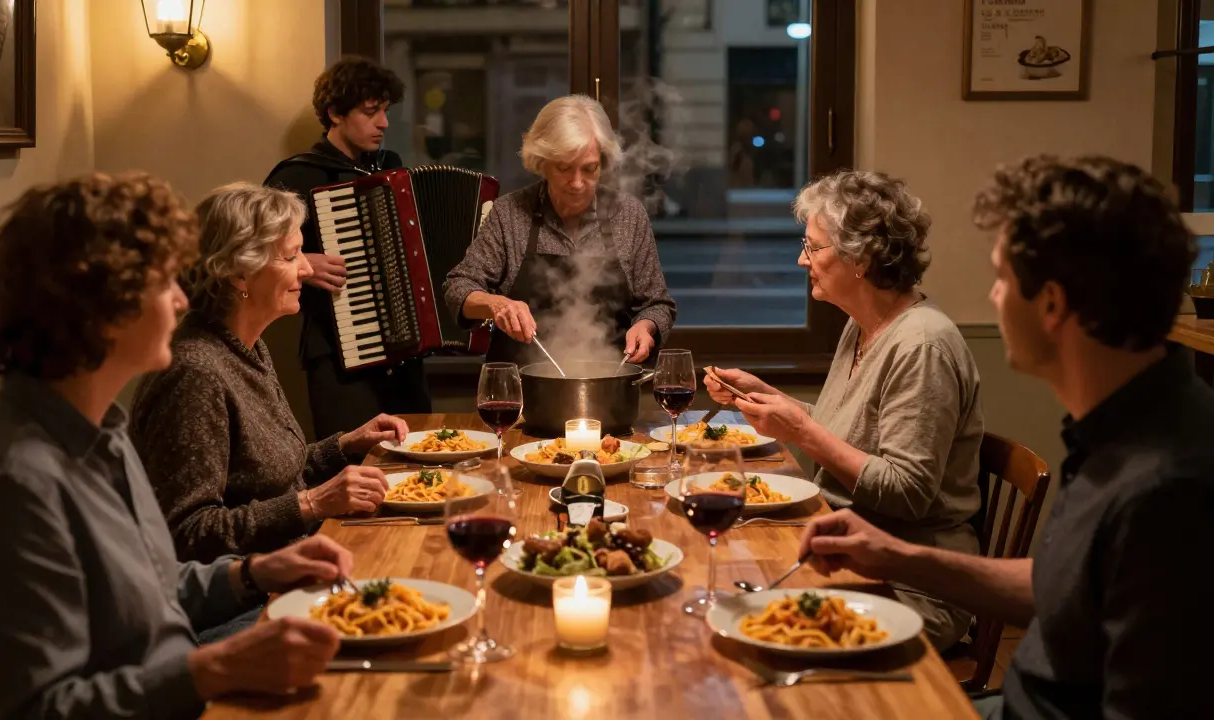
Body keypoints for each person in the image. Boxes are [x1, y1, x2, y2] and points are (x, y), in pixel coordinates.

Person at [796, 155, 1211, 719]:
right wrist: (894, 556)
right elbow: (1063, 585)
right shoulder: (1125, 427)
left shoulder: (1167, 486)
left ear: (1052, 304)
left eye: (1001, 278)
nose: (992, 298)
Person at [0, 173, 350, 719]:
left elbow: (150, 588)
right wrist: (216, 669)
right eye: (161, 282)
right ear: (98, 308)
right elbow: (35, 710)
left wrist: (256, 574)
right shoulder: (10, 483)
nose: (181, 299)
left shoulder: (99, 428)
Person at [705, 169, 983, 651]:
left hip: (912, 581)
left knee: (732, 621)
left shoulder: (922, 345)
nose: (801, 259)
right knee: (717, 586)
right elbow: (853, 428)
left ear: (861, 257)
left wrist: (801, 432)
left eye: (814, 247)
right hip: (849, 549)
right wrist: (775, 399)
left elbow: (907, 492)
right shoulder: (862, 325)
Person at [131, 182, 408, 565]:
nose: (308, 268)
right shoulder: (195, 373)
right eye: (291, 256)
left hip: (294, 557)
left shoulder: (247, 345)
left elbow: (268, 476)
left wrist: (345, 446)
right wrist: (313, 502)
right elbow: (187, 533)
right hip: (247, 594)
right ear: (239, 275)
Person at [443, 94, 677, 367]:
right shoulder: (510, 212)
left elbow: (658, 304)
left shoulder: (628, 215)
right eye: (564, 168)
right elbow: (458, 288)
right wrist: (496, 305)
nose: (577, 183)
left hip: (610, 384)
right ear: (542, 162)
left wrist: (646, 327)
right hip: (521, 390)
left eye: (590, 169)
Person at [263, 55, 425, 439]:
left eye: (385, 111)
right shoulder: (296, 175)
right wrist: (302, 260)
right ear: (335, 113)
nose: (384, 123)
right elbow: (252, 251)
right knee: (351, 472)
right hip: (337, 357)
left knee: (418, 461)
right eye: (371, 112)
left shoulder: (390, 167)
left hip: (403, 355)